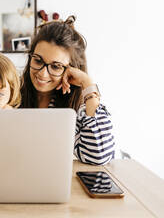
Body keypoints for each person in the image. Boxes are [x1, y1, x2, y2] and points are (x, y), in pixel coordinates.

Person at [20, 15, 114, 165]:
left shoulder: (78, 109)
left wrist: (86, 82)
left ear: (71, 70)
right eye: (38, 60)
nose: (42, 74)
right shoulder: (10, 94)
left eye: (56, 66)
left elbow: (99, 156)